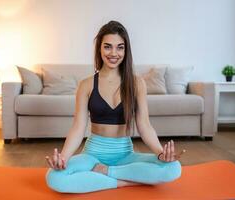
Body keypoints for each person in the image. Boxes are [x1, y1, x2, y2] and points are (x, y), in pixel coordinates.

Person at [45, 20, 184, 194]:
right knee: (54, 177)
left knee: (173, 168)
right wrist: (63, 158)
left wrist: (160, 153)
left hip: (125, 156)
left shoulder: (137, 83)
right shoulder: (86, 85)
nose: (114, 53)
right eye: (108, 47)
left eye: (120, 47)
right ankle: (123, 182)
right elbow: (78, 127)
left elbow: (145, 126)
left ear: (126, 50)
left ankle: (109, 174)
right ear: (99, 49)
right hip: (92, 156)